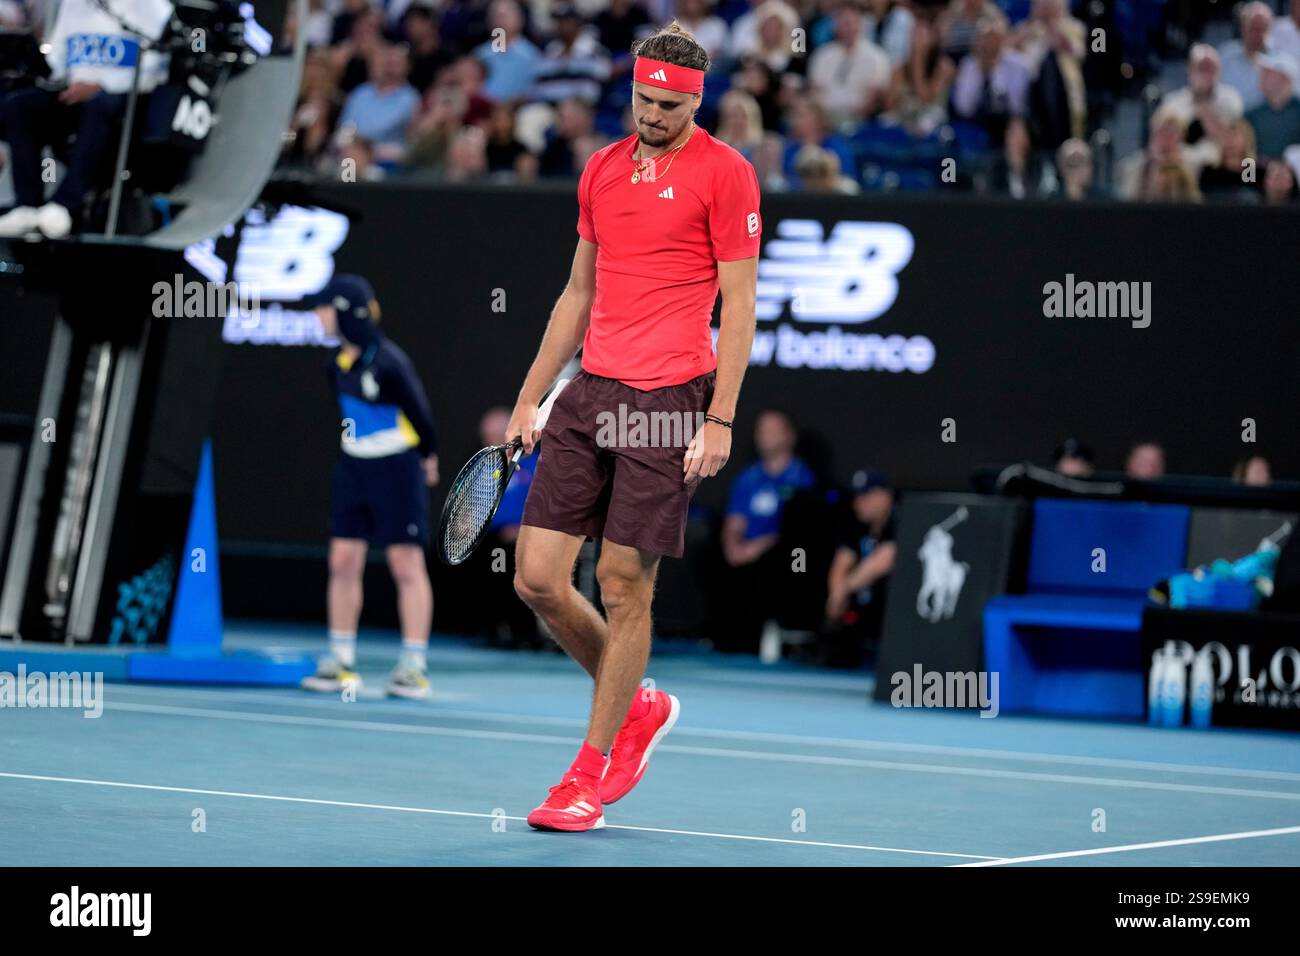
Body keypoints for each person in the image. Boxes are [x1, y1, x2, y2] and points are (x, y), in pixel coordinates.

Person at [504, 22, 761, 831]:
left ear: (695, 100)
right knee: (538, 579)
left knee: (623, 586)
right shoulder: (602, 169)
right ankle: (638, 704)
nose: (652, 114)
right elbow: (575, 296)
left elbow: (742, 305)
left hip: (671, 399)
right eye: (643, 99)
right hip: (590, 395)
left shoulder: (728, 175)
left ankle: (585, 776)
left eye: (668, 104)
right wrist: (530, 398)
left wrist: (719, 416)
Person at [301, 275, 441, 700]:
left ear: (344, 312)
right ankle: (340, 660)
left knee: (405, 565)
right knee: (342, 559)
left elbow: (421, 414)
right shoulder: (333, 365)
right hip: (353, 468)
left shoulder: (390, 362)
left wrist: (427, 457)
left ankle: (412, 667)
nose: (317, 316)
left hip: (397, 467)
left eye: (324, 307)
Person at [0, 0, 174, 238]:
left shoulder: (151, 5)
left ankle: (64, 206)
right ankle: (27, 206)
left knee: (99, 106)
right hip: (76, 94)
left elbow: (159, 66)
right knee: (19, 105)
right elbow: (58, 60)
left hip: (126, 99)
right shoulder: (73, 3)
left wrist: (102, 85)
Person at [824, 470, 896, 668]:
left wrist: (844, 589)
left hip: (892, 613)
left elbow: (884, 560)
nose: (859, 503)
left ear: (884, 495)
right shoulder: (856, 524)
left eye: (866, 496)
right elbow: (841, 562)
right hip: (862, 611)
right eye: (857, 497)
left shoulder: (900, 521)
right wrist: (837, 596)